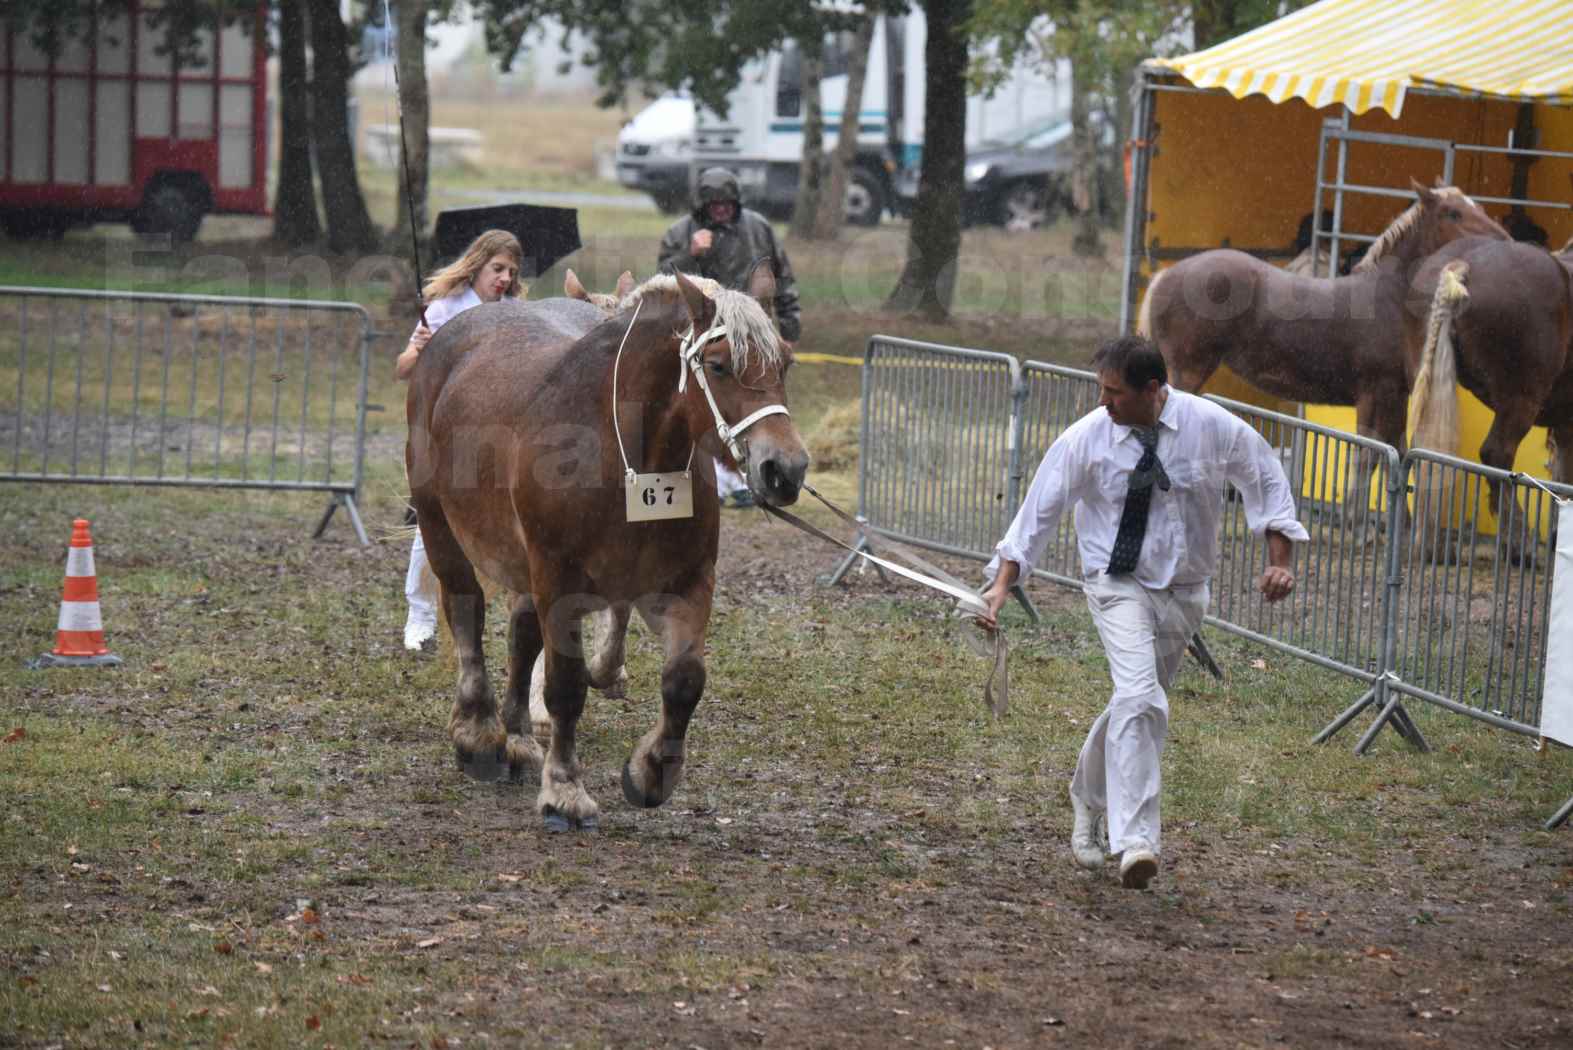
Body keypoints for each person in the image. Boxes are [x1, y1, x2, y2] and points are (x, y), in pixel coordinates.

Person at [975, 335, 1306, 890]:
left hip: (1184, 590)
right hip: (1115, 584)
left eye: (1114, 393)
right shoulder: (1087, 439)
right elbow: (1038, 513)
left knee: (1137, 705)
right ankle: (1136, 841)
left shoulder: (1210, 425)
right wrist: (1001, 587)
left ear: (1154, 390)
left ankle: (1086, 796)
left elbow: (1264, 477)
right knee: (1139, 698)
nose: (1104, 403)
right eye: (1100, 391)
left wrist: (1280, 560)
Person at [397, 229, 525, 652]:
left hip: (499, 431)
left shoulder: (518, 314)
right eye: (498, 268)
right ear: (477, 266)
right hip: (444, 431)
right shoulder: (445, 308)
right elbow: (402, 369)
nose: (505, 278)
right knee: (431, 523)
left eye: (511, 271)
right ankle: (420, 612)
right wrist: (419, 350)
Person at [658, 167, 801, 508]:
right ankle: (712, 479)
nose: (721, 209)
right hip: (708, 339)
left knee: (754, 401)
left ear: (737, 202)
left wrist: (790, 326)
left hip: (752, 336)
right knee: (711, 406)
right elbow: (663, 282)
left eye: (727, 204)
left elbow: (783, 277)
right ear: (702, 205)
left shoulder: (759, 228)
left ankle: (754, 472)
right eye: (714, 204)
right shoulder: (680, 232)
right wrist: (689, 254)